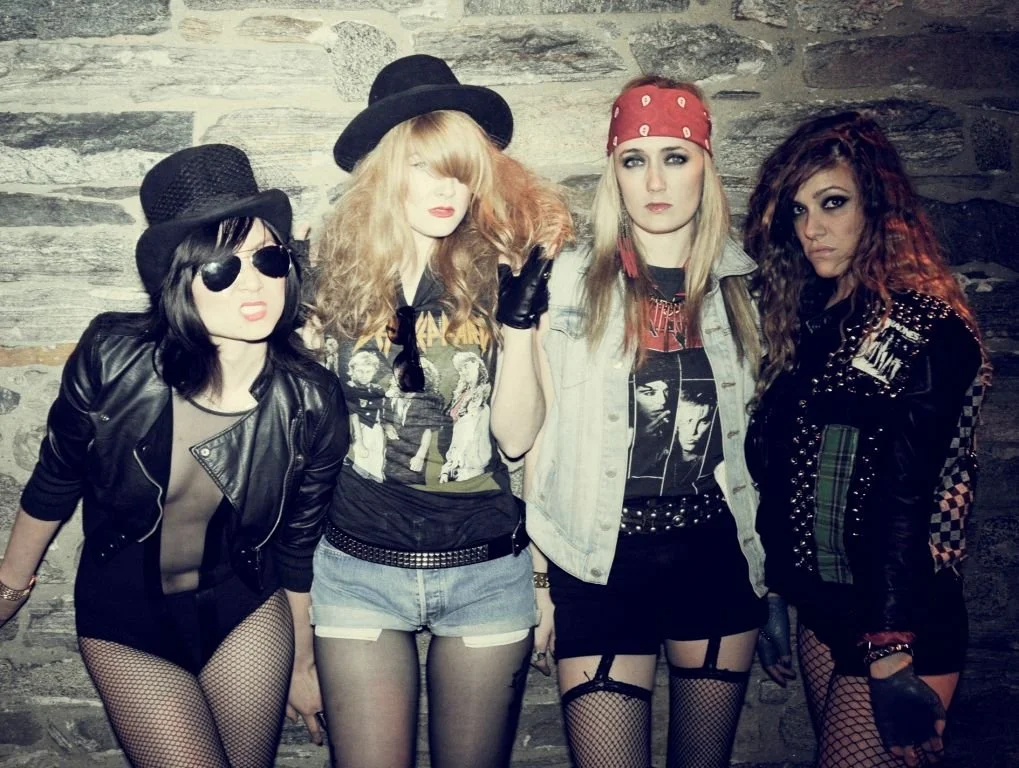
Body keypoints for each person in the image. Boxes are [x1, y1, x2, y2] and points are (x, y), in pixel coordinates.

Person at [0, 144, 349, 767]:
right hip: (126, 621)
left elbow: (297, 549)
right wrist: (9, 587)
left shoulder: (313, 403)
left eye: (268, 260)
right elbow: (56, 477)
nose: (253, 284)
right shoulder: (114, 357)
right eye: (221, 268)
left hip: (247, 611)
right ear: (180, 281)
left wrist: (302, 663)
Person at [309, 54, 572, 768]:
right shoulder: (326, 272)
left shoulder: (506, 266)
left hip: (485, 571)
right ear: (386, 172)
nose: (444, 190)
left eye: (458, 169)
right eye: (424, 167)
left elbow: (517, 442)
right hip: (358, 568)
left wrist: (518, 328)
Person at [525, 75, 767, 768]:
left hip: (713, 556)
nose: (654, 179)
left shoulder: (742, 290)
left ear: (705, 169)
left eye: (675, 156)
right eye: (633, 159)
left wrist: (769, 575)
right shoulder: (568, 286)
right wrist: (539, 584)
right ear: (614, 175)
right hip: (598, 563)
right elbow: (533, 443)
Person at [743, 111, 990, 768]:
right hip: (822, 614)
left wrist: (889, 653)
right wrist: (776, 591)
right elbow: (781, 472)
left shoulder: (925, 329)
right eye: (797, 211)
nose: (811, 229)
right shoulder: (813, 321)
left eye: (831, 204)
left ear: (876, 206)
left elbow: (899, 498)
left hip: (902, 625)